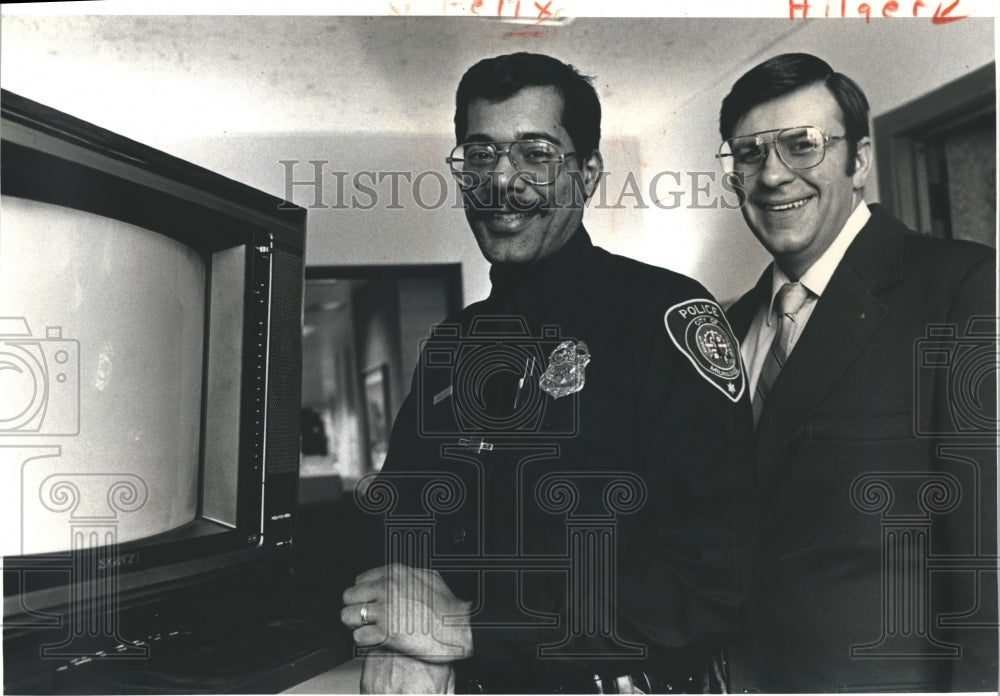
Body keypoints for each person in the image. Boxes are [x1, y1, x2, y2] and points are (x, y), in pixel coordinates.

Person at [341, 52, 756, 694]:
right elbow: (400, 519)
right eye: (479, 155)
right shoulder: (454, 343)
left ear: (587, 174)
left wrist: (468, 627)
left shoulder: (663, 317)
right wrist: (396, 635)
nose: (503, 181)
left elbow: (709, 581)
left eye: (536, 153)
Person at [719, 53, 998, 692]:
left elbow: (989, 554)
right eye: (749, 154)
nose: (774, 176)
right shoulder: (726, 329)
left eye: (802, 145)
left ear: (861, 159)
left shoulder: (961, 287)